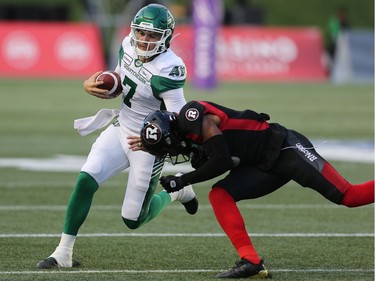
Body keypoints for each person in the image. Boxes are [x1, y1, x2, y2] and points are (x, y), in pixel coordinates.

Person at [36, 4, 198, 269]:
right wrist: (97, 82)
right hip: (121, 127)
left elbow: (178, 121)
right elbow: (121, 77)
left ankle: (177, 191)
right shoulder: (128, 45)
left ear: (166, 37)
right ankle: (63, 252)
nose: (144, 40)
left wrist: (150, 141)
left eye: (153, 35)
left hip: (148, 144)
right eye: (141, 33)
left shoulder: (170, 68)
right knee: (86, 179)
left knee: (132, 219)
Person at [140, 100, 374, 279]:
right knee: (220, 195)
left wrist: (182, 181)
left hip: (284, 148)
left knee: (349, 196)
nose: (172, 154)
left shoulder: (193, 116)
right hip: (261, 165)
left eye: (168, 149)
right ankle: (250, 260)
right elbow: (224, 158)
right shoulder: (182, 132)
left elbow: (221, 161)